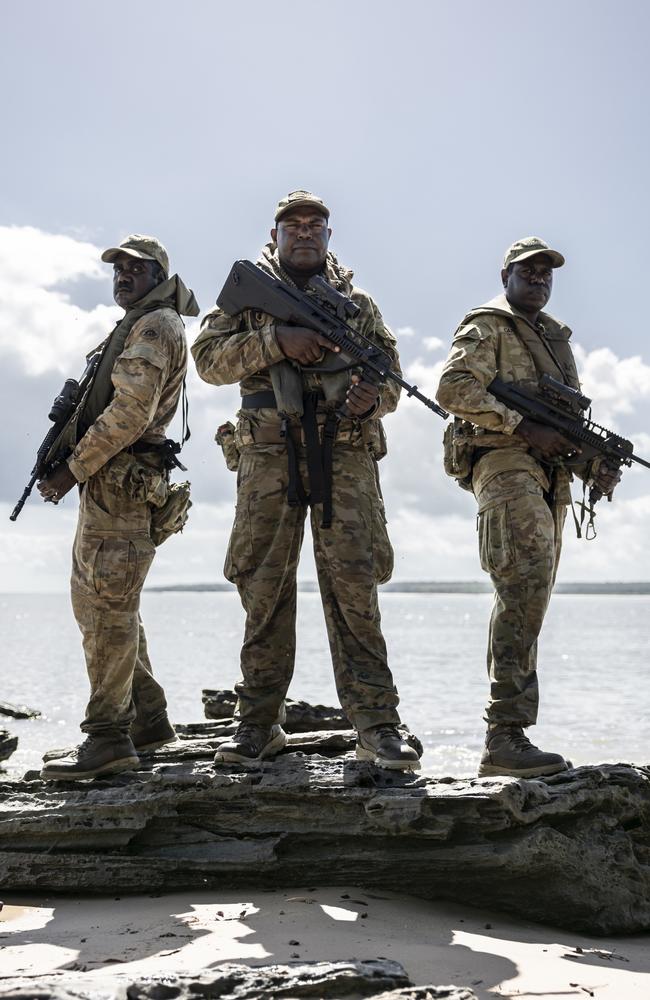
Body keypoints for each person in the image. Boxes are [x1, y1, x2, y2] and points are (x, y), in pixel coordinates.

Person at [192, 189, 420, 771]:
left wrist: (373, 399)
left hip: (344, 455)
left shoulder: (357, 303)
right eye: (291, 224)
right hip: (268, 455)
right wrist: (275, 341)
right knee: (263, 588)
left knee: (354, 590)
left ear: (328, 236)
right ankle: (258, 723)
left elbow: (391, 376)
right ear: (274, 236)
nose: (303, 232)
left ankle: (377, 724)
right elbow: (208, 359)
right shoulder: (248, 294)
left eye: (315, 224)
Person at [436, 237, 621, 778]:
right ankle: (504, 734)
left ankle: (510, 733)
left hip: (549, 473)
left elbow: (564, 429)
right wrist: (522, 425)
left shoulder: (556, 340)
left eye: (546, 273)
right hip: (503, 462)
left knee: (533, 593)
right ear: (506, 276)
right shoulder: (488, 325)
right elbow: (453, 387)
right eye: (528, 270)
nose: (539, 278)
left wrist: (593, 464)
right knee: (524, 578)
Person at [39, 234, 199, 781]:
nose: (124, 276)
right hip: (116, 482)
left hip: (121, 479)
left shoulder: (155, 324)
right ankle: (149, 721)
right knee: (107, 603)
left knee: (105, 609)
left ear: (160, 275)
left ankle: (108, 737)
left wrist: (70, 469)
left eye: (137, 268)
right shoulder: (141, 322)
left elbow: (131, 413)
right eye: (119, 269)